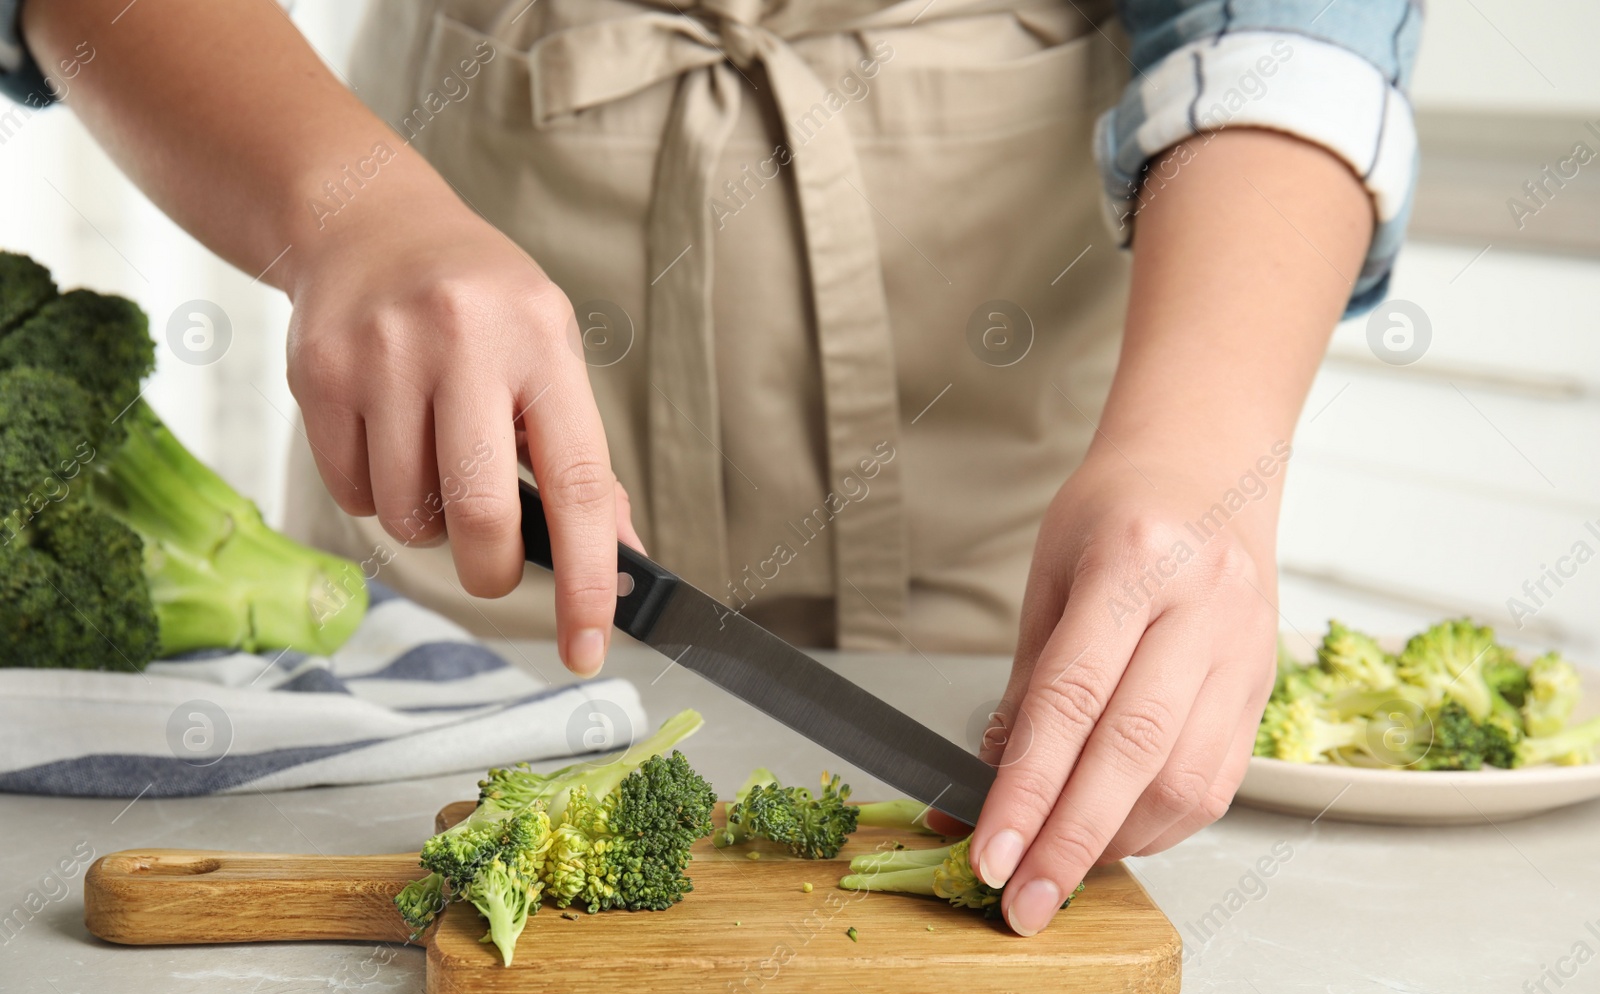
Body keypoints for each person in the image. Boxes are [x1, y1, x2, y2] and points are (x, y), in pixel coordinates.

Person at [7, 0, 1419, 936]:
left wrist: (1204, 446)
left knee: (1050, 746)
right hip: (471, 334)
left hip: (1011, 374)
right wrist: (340, 215)